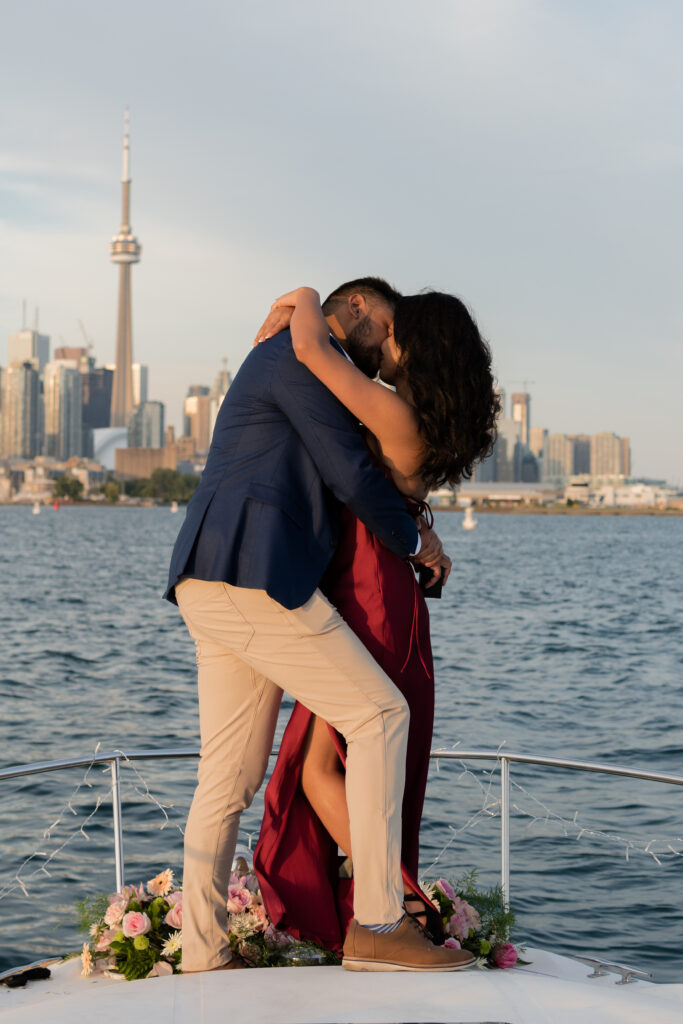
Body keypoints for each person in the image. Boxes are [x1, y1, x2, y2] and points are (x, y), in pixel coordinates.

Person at [164, 277, 474, 973]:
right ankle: (376, 924)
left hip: (214, 577)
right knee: (379, 717)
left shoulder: (288, 355)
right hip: (253, 575)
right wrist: (416, 543)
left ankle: (203, 952)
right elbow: (351, 475)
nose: (389, 345)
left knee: (230, 775)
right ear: (357, 309)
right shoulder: (296, 358)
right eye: (387, 325)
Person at [252, 285, 499, 953]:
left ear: (420, 349)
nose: (386, 344)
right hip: (374, 593)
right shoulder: (417, 418)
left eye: (397, 334)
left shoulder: (393, 411)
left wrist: (300, 295)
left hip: (368, 597)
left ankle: (400, 912)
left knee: (318, 768)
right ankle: (389, 910)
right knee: (329, 762)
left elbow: (310, 347)